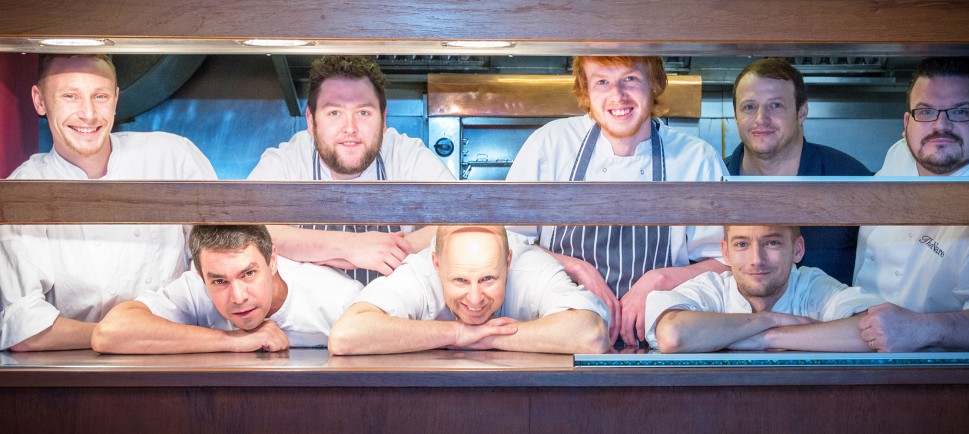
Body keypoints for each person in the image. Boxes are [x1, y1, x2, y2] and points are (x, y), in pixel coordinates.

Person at [505, 56, 729, 347]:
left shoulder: (696, 159)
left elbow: (728, 261)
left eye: (630, 79)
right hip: (560, 335)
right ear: (586, 92)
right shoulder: (549, 145)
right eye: (602, 81)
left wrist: (658, 281)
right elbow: (506, 242)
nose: (617, 95)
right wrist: (577, 269)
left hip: (658, 344)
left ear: (656, 84)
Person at [0, 54, 217, 352]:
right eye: (70, 96)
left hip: (186, 356)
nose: (88, 114)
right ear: (39, 101)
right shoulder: (25, 191)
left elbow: (220, 264)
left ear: (115, 99)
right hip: (80, 371)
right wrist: (126, 336)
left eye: (100, 96)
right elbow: (25, 328)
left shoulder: (172, 156)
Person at [248, 55, 454, 286]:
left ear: (384, 119)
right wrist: (350, 246)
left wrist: (386, 251)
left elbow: (465, 217)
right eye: (334, 113)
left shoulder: (406, 153)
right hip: (308, 316)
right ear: (310, 120)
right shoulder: (287, 160)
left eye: (363, 112)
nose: (350, 128)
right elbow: (246, 227)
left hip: (392, 308)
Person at [854, 57, 969, 352]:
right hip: (861, 343)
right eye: (925, 111)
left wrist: (922, 328)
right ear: (907, 122)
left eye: (960, 112)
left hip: (937, 373)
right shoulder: (901, 152)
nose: (940, 126)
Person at [328, 225, 610, 355]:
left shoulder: (531, 265)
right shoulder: (420, 271)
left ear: (508, 261)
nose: (475, 299)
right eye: (460, 281)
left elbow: (591, 335)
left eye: (488, 279)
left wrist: (488, 339)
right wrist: (458, 333)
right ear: (437, 265)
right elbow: (345, 337)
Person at [91, 225, 363, 353]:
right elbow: (109, 333)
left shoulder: (338, 298)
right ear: (201, 276)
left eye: (248, 274)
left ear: (272, 261)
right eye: (220, 281)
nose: (239, 297)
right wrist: (233, 341)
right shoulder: (197, 287)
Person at [725, 58, 872, 285]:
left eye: (776, 105)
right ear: (735, 115)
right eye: (749, 107)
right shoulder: (712, 180)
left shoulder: (852, 180)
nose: (760, 119)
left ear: (801, 112)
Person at [646, 225, 883, 353]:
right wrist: (770, 319)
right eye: (742, 244)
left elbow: (876, 331)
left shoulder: (811, 286)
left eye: (772, 242)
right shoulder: (714, 288)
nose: (756, 260)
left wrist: (766, 338)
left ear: (797, 250)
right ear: (726, 252)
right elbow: (673, 335)